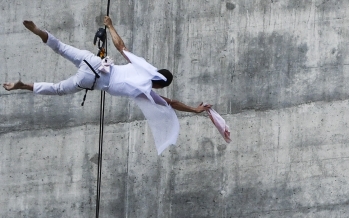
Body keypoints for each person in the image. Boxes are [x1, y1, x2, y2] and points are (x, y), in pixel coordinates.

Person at [6, 17, 230, 152]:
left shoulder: (141, 66)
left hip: (93, 62)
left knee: (61, 47)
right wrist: (194, 109)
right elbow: (171, 103)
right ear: (160, 86)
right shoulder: (145, 92)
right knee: (57, 89)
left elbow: (121, 46)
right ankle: (24, 86)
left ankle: (38, 31)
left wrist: (111, 25)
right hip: (90, 80)